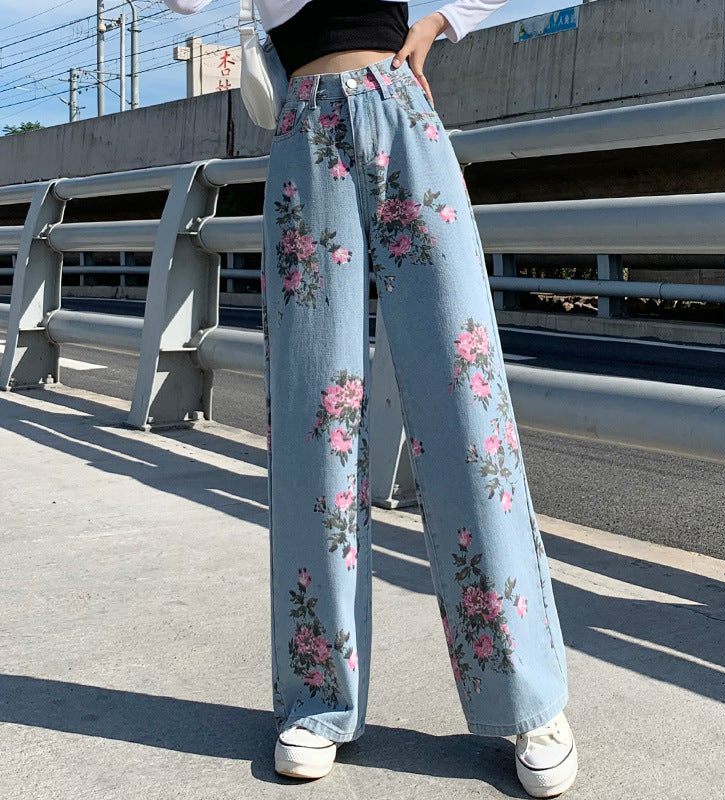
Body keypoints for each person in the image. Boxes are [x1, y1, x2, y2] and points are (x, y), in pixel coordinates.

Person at [162, 0, 578, 796]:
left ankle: (529, 698)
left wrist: (443, 21)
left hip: (401, 113)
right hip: (306, 137)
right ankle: (319, 699)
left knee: (466, 405)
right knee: (316, 414)